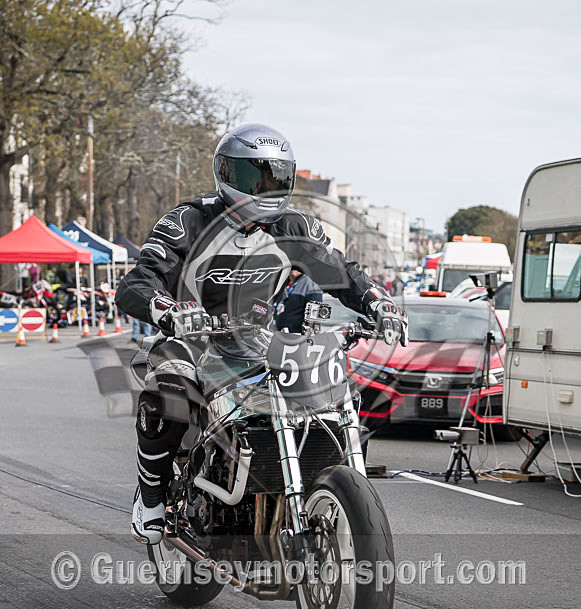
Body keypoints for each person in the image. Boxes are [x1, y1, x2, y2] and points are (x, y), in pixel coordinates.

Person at [115, 122, 408, 544]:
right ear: (226, 173)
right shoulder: (188, 222)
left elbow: (341, 272)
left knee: (323, 392)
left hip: (256, 339)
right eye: (256, 176)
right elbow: (138, 281)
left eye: (276, 177)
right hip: (190, 337)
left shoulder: (295, 228)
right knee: (171, 392)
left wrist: (377, 304)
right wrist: (167, 309)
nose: (266, 187)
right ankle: (152, 499)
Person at [274, 268, 322, 333]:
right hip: (281, 332)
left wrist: (308, 330)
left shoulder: (309, 283)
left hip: (296, 334)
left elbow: (315, 310)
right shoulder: (288, 285)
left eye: (296, 268)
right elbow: (277, 306)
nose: (293, 269)